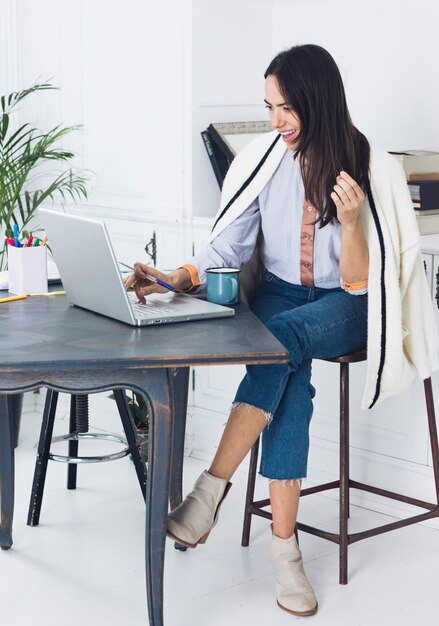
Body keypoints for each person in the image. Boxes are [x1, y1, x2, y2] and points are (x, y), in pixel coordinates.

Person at [125, 44, 439, 617]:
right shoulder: (264, 159)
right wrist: (177, 275)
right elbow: (228, 246)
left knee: (282, 343)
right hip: (277, 296)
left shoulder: (369, 165)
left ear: (316, 101)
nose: (275, 122)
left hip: (345, 303)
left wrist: (349, 221)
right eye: (268, 106)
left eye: (285, 108)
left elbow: (360, 282)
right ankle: (284, 554)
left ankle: (209, 490)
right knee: (288, 379)